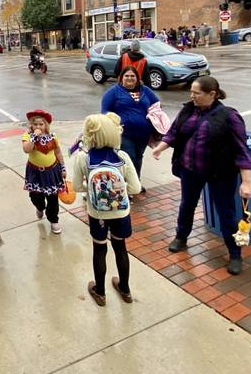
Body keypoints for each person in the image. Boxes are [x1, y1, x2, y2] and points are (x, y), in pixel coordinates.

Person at [152, 76, 251, 275]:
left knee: (226, 213)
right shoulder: (188, 109)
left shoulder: (229, 116)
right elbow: (174, 133)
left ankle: (234, 253)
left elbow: (242, 151)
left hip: (220, 174)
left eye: (196, 93)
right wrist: (160, 148)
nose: (192, 96)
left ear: (212, 94)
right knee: (187, 204)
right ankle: (181, 237)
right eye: (191, 92)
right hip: (190, 170)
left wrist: (247, 182)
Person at [72, 113, 141, 307]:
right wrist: (118, 192)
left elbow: (76, 186)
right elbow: (136, 188)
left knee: (99, 248)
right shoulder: (122, 157)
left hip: (97, 213)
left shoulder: (83, 158)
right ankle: (125, 290)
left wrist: (93, 191)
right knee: (120, 248)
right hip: (121, 212)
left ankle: (100, 292)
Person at [101, 66, 159, 184]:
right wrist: (116, 121)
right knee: (129, 157)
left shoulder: (145, 90)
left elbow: (156, 104)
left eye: (132, 76)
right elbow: (104, 111)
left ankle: (136, 181)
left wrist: (154, 115)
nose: (129, 78)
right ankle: (128, 183)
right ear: (121, 78)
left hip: (143, 133)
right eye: (126, 76)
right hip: (124, 133)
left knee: (138, 157)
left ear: (137, 78)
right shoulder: (114, 91)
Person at [22, 109, 66, 234]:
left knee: (52, 197)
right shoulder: (28, 136)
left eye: (41, 124)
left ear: (46, 125)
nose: (38, 126)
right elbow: (26, 149)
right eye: (35, 124)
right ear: (31, 125)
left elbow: (58, 152)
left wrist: (63, 167)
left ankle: (53, 219)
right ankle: (40, 207)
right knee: (36, 196)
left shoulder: (53, 137)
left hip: (52, 171)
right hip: (35, 173)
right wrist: (34, 136)